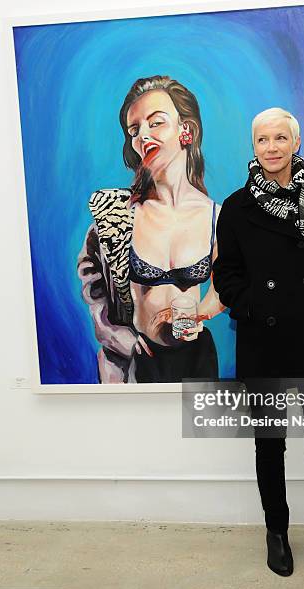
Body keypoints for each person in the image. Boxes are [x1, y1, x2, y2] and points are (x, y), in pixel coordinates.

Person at [212, 107, 304, 585]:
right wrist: (252, 304)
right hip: (263, 342)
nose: (271, 147)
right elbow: (227, 274)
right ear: (252, 147)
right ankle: (276, 533)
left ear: (296, 144)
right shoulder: (236, 208)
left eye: (280, 138)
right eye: (262, 139)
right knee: (269, 446)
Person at [77, 76, 225, 383]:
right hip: (132, 366)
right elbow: (93, 286)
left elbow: (231, 281)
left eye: (155, 123)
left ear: (186, 131)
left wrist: (203, 313)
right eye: (134, 130)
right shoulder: (116, 214)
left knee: (203, 434)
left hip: (197, 361)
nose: (142, 136)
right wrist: (123, 340)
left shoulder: (216, 217)